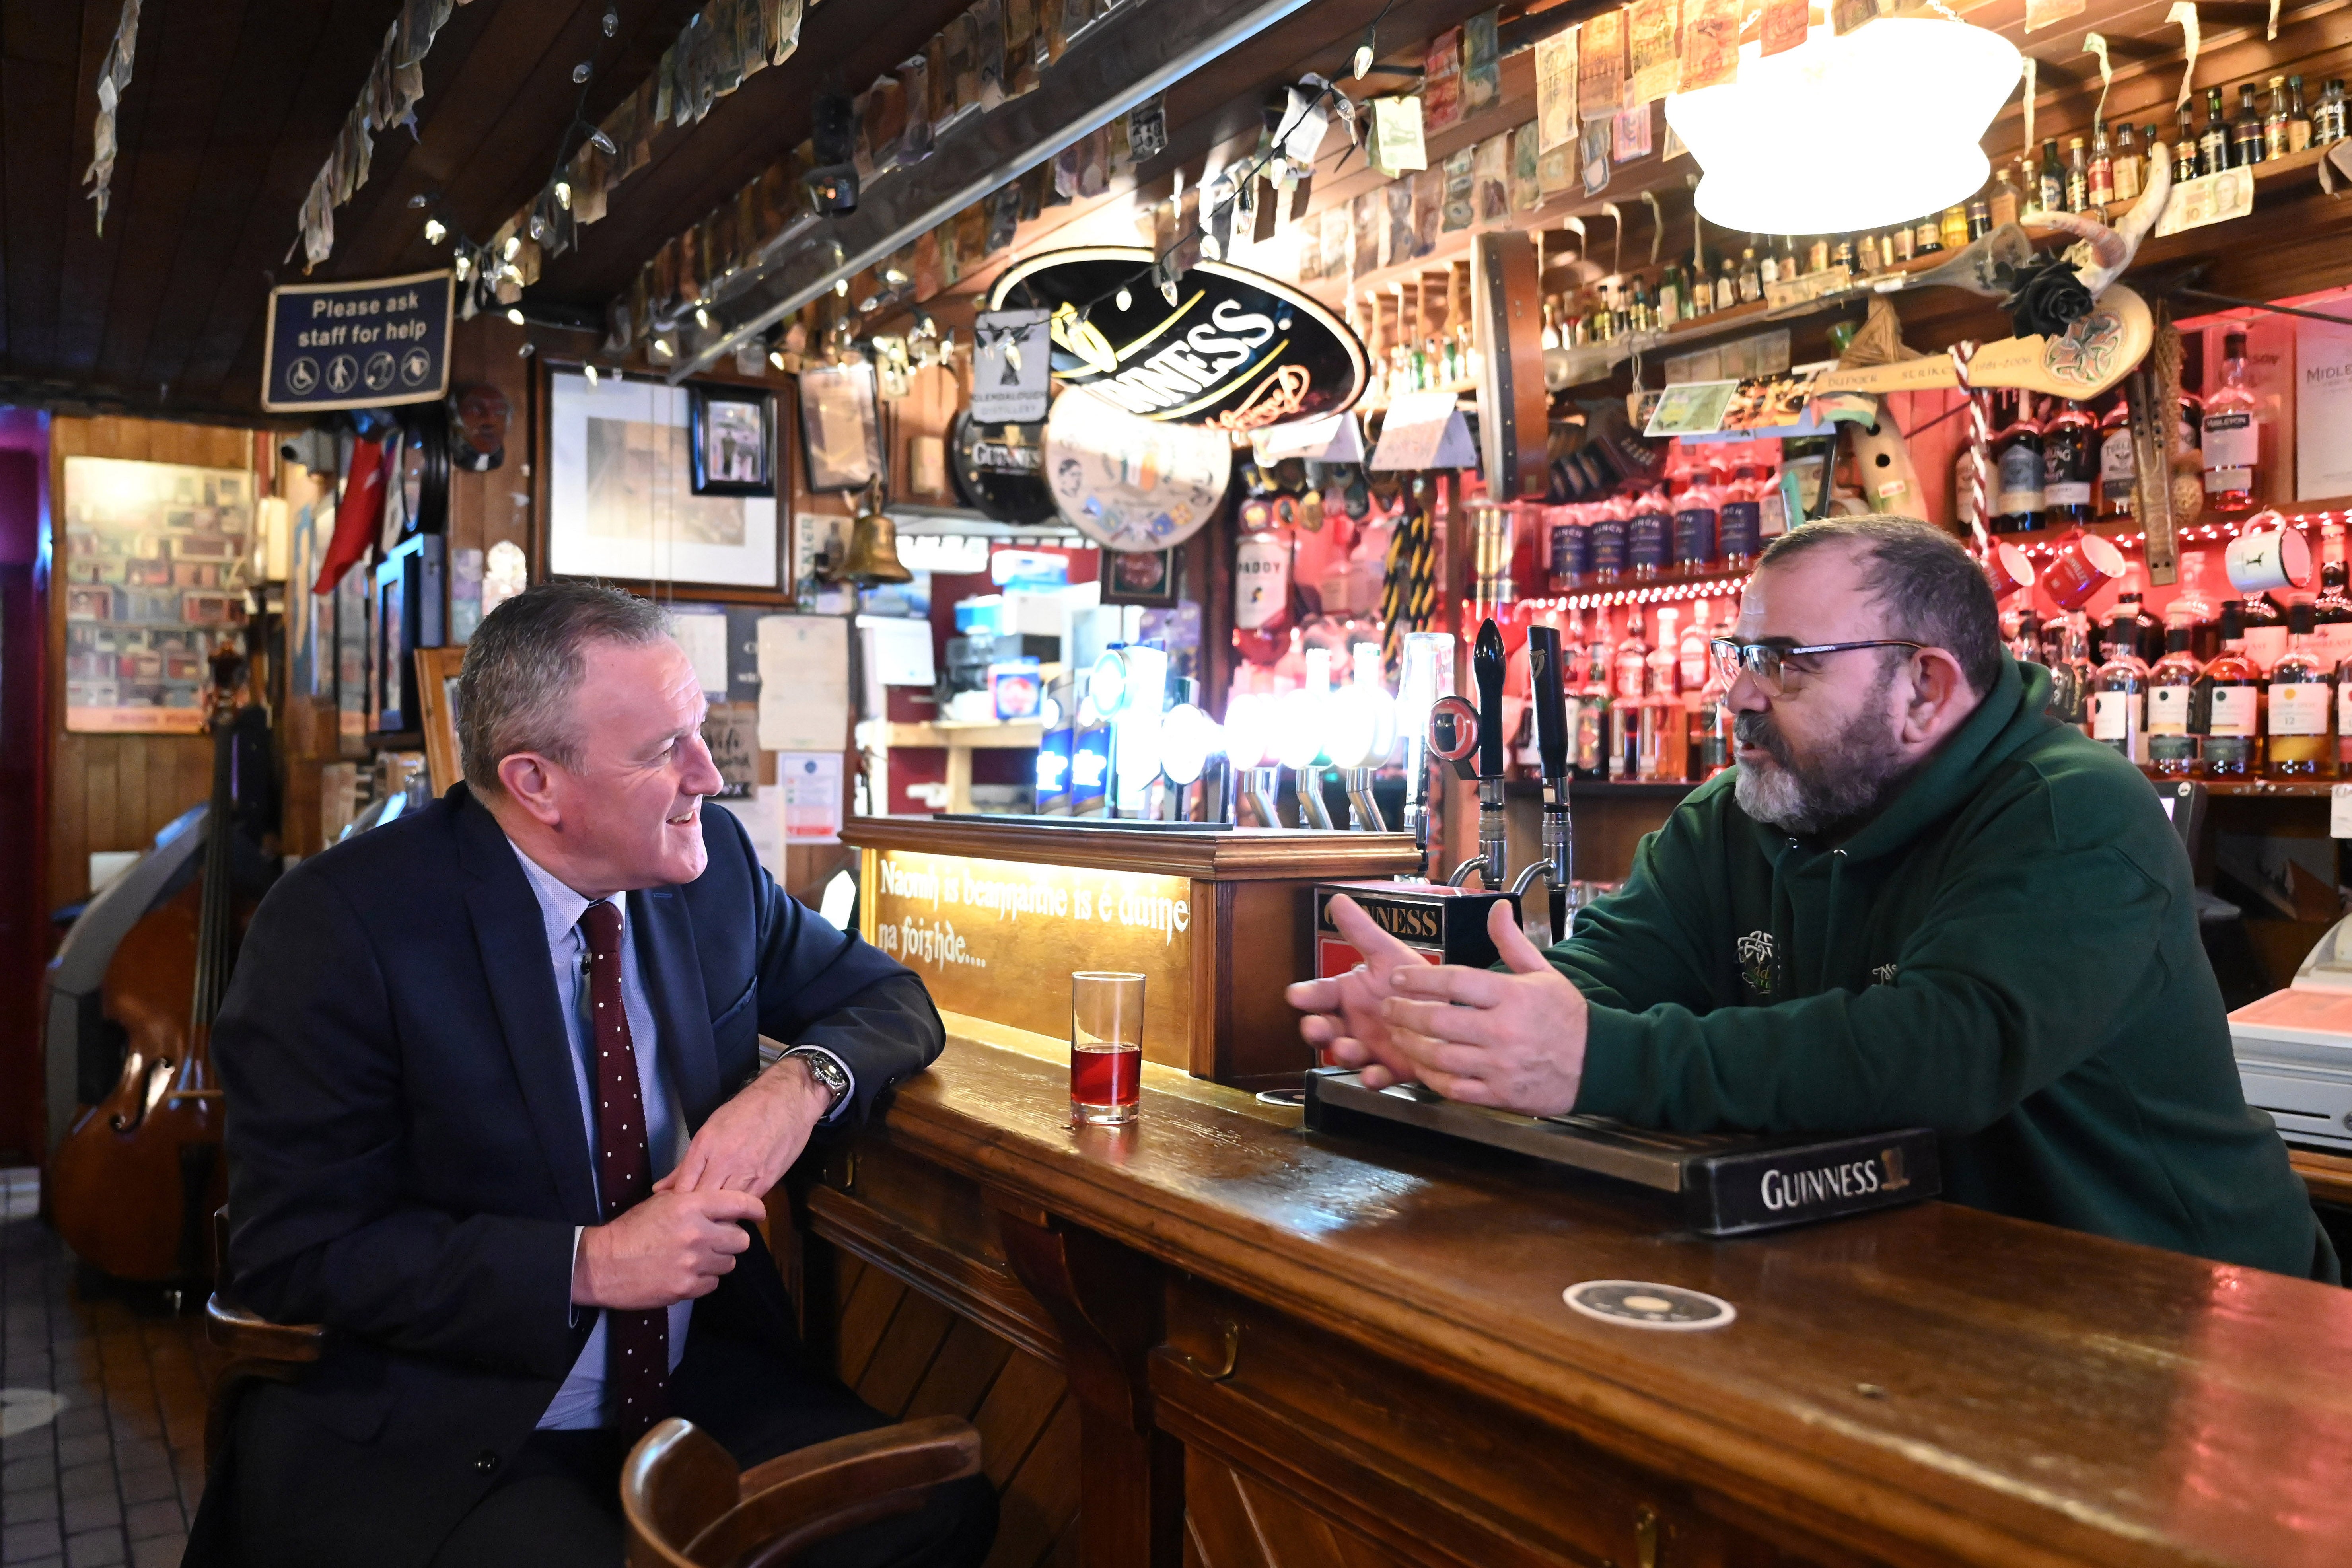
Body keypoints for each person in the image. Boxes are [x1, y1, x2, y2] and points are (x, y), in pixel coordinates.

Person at [1294, 517, 2336, 1282]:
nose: (1739, 694)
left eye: (1784, 663)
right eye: (1740, 656)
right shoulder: (1735, 816)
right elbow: (1602, 971)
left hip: (2187, 1308)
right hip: (1924, 1285)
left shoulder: (2072, 812)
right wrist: (1455, 1015)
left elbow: (1939, 1050)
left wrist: (1589, 1058)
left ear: (1925, 686)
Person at [190, 582, 996, 1567]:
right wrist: (592, 1264)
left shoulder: (709, 876)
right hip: (459, 1420)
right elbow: (297, 1250)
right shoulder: (340, 926)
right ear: (535, 783)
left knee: (940, 1512)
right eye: (663, 751)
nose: (709, 774)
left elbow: (892, 1000)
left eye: (697, 732)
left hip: (695, 1384)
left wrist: (799, 1087)